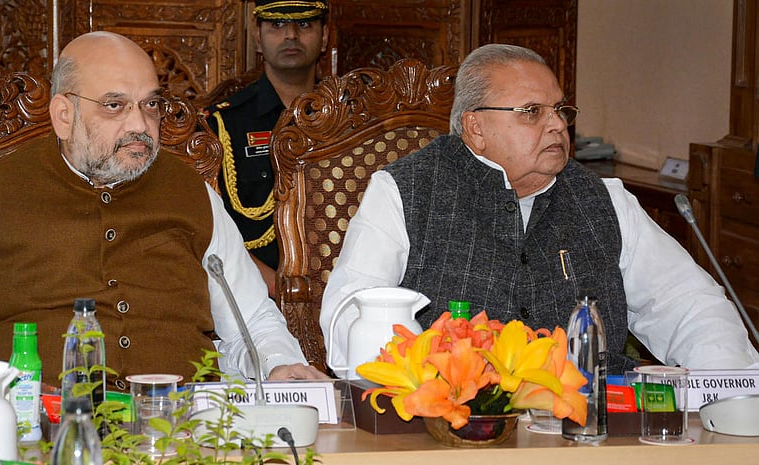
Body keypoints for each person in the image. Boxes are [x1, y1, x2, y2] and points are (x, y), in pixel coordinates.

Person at [0, 31, 326, 387]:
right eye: (115, 105)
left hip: (184, 429)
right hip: (34, 429)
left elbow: (251, 316)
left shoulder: (191, 194)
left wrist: (277, 365)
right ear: (64, 116)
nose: (140, 125)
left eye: (150, 104)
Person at [320, 43, 759, 375]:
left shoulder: (602, 199)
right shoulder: (406, 190)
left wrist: (728, 393)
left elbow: (686, 303)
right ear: (475, 126)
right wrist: (430, 379)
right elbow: (351, 311)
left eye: (560, 110)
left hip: (588, 427)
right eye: (532, 112)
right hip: (454, 425)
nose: (557, 124)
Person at [204, 0, 329, 297]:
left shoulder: (355, 118)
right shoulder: (223, 124)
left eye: (304, 24)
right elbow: (211, 228)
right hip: (253, 294)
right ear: (258, 39)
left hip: (339, 293)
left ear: (324, 38)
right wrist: (277, 289)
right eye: (276, 25)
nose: (291, 36)